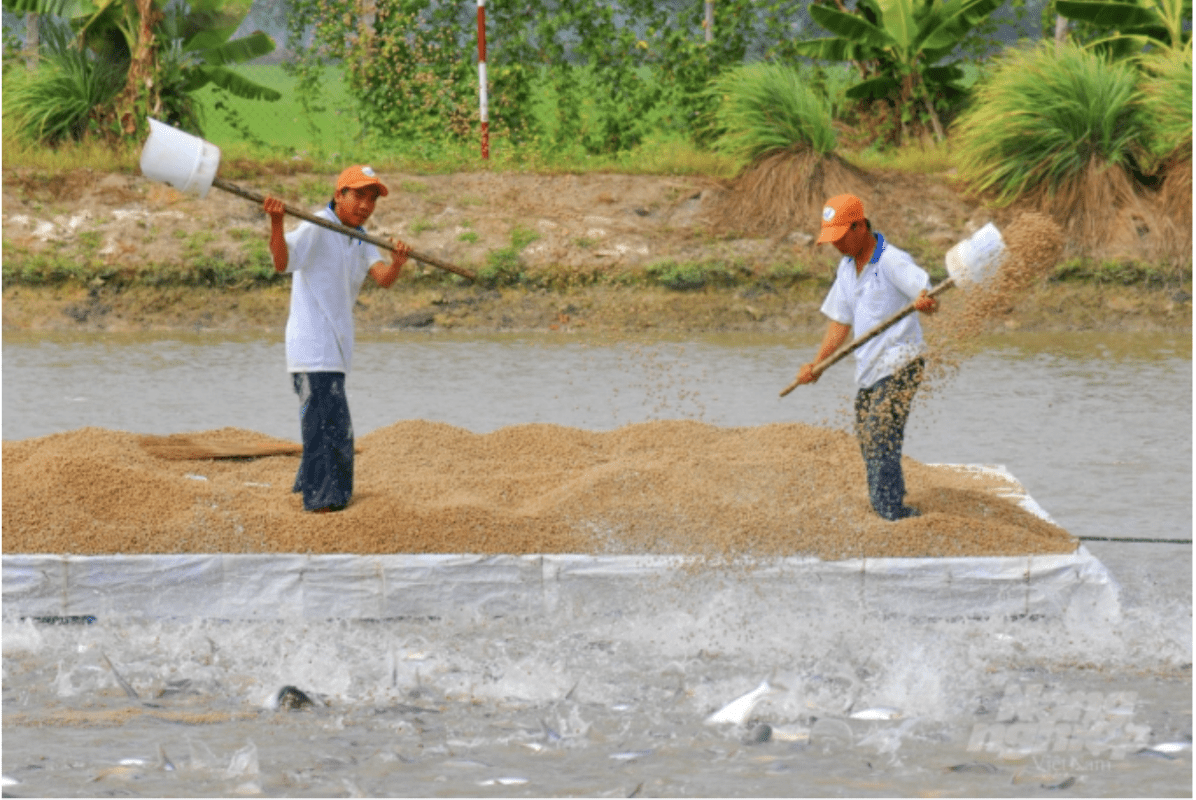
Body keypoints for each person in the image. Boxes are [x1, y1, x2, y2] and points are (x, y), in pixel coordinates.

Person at [264, 166, 411, 513]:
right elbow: (282, 262)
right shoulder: (317, 224)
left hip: (338, 347)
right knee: (331, 426)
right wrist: (276, 223)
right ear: (340, 194)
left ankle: (306, 485)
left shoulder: (360, 237)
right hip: (312, 345)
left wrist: (398, 262)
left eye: (372, 199)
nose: (365, 205)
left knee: (325, 420)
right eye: (358, 196)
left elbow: (383, 278)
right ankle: (323, 501)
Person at [791, 194, 939, 521]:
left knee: (880, 431)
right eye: (832, 239)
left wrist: (926, 302)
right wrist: (817, 366)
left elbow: (924, 291)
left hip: (902, 362)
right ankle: (891, 501)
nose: (836, 246)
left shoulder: (890, 260)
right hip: (870, 369)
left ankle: (891, 513)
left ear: (860, 226)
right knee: (867, 435)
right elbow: (839, 322)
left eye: (841, 237)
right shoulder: (846, 269)